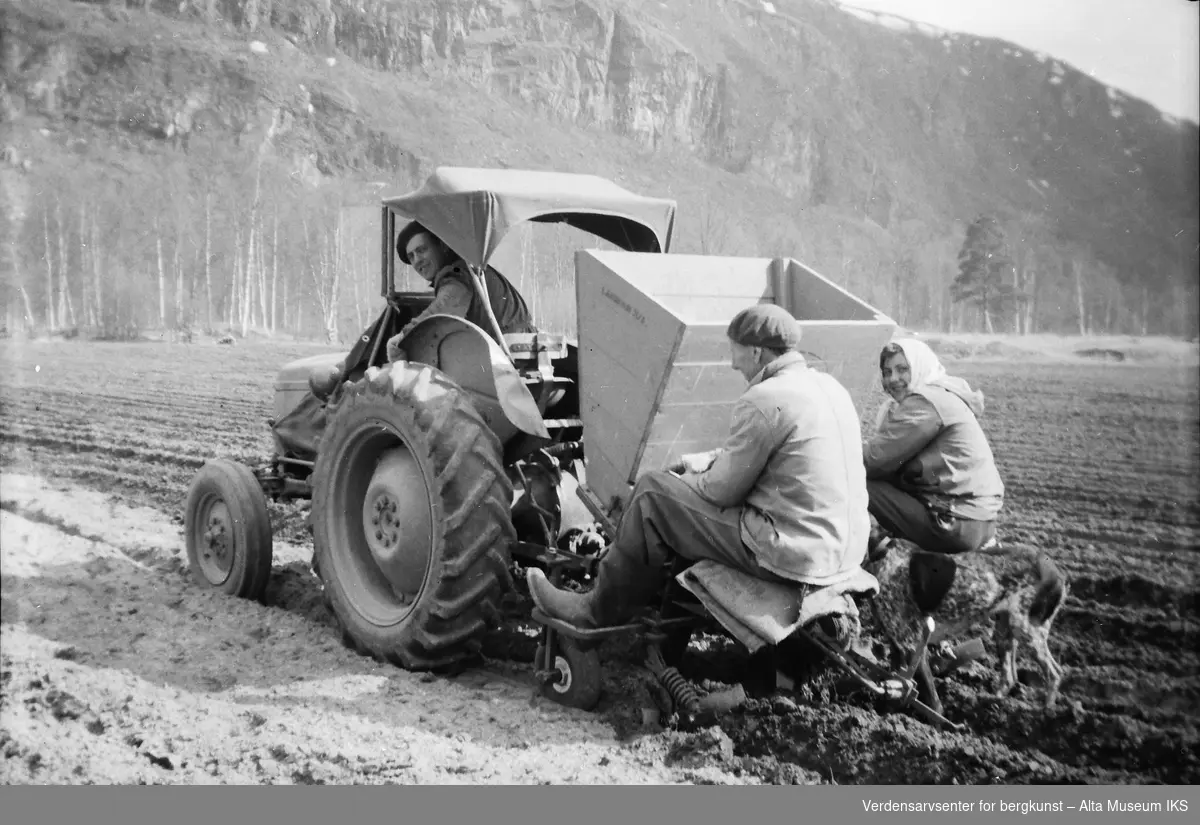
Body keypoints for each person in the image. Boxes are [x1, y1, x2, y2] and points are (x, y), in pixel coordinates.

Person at [526, 303, 871, 629]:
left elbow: (721, 491)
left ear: (756, 351)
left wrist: (688, 479)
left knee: (651, 494)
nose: (734, 364)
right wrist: (704, 460)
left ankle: (593, 611)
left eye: (735, 351)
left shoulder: (763, 399)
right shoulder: (828, 387)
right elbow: (772, 449)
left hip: (791, 554)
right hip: (844, 550)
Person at [863, 338, 1004, 556]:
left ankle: (867, 555)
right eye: (887, 371)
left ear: (920, 367)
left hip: (957, 523)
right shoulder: (942, 394)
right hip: (978, 520)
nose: (893, 379)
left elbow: (874, 460)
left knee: (855, 481)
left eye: (902, 369)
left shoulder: (925, 402)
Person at [386, 221, 535, 361]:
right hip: (519, 348)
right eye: (411, 256)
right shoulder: (470, 269)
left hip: (507, 354)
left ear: (442, 246)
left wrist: (402, 339)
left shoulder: (457, 274)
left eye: (422, 250)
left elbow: (442, 311)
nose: (417, 260)